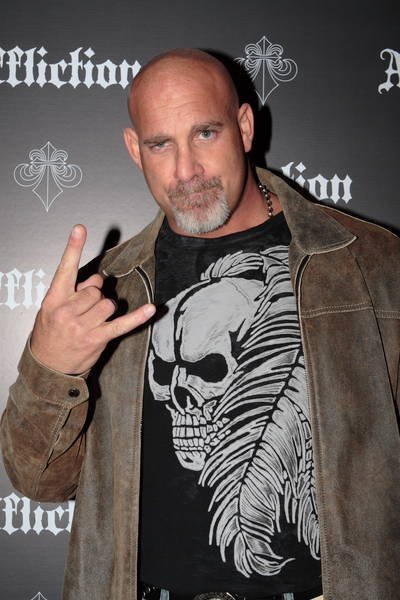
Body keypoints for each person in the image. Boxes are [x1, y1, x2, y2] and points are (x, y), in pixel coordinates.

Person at [1, 48, 399, 600]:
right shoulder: (104, 290)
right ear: (135, 149)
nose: (186, 170)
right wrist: (51, 369)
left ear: (244, 126)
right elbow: (41, 482)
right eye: (160, 144)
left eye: (205, 134)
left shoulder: (374, 267)